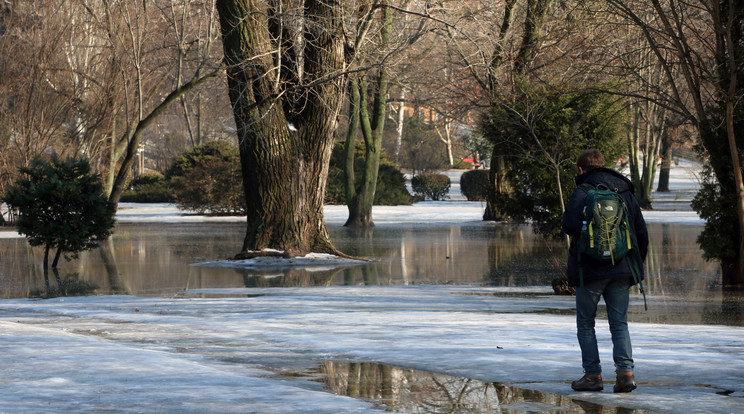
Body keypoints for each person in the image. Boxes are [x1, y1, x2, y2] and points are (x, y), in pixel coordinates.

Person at [562, 149, 648, 393]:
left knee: (586, 324)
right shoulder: (624, 190)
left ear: (581, 170)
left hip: (589, 270)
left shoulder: (583, 191)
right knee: (619, 324)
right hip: (622, 268)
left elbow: (569, 226)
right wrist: (636, 266)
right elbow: (640, 232)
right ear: (603, 165)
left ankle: (593, 376)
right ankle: (626, 374)